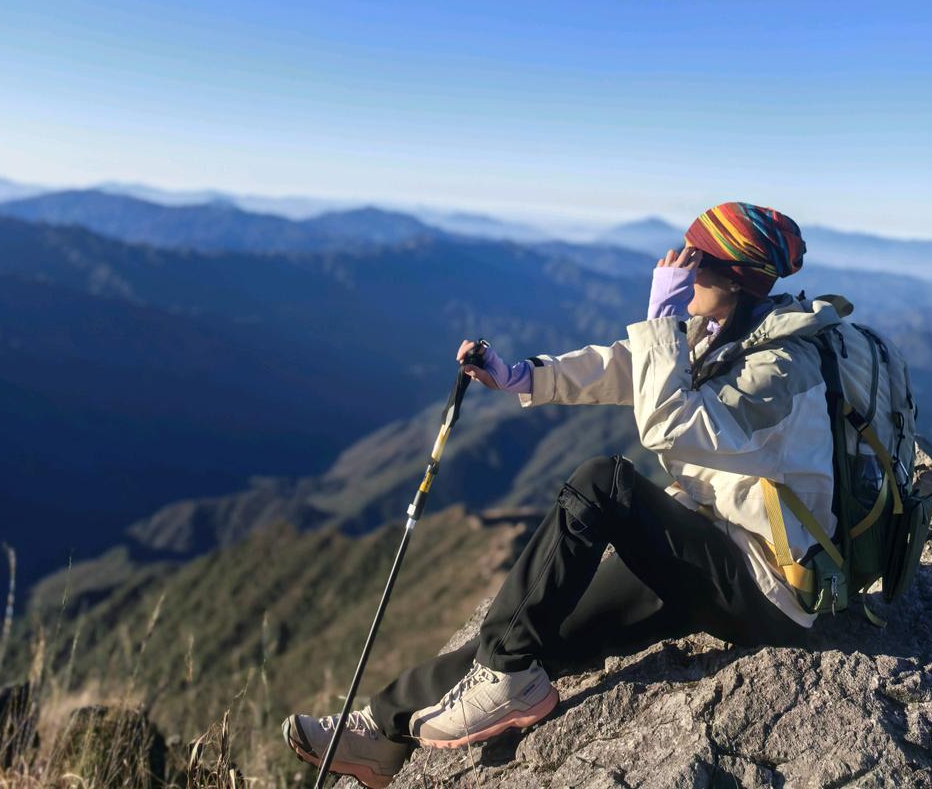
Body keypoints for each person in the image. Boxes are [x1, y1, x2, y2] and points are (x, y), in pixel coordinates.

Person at [284, 202, 849, 789]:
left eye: (693, 260)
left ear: (735, 277)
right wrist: (520, 376)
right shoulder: (737, 334)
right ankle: (381, 730)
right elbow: (626, 366)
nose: (676, 267)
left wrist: (661, 315)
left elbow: (668, 424)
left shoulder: (781, 369)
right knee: (531, 623)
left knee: (603, 482)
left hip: (769, 589)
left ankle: (501, 677)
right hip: (716, 550)